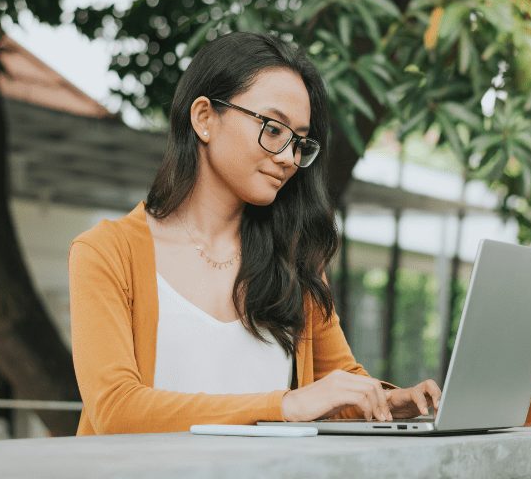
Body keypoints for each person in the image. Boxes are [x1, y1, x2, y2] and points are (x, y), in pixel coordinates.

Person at [69, 32, 441, 435]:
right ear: (204, 118)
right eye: (273, 128)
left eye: (299, 141)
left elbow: (335, 387)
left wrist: (389, 402)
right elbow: (116, 409)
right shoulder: (106, 252)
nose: (287, 158)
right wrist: (285, 404)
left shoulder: (296, 259)